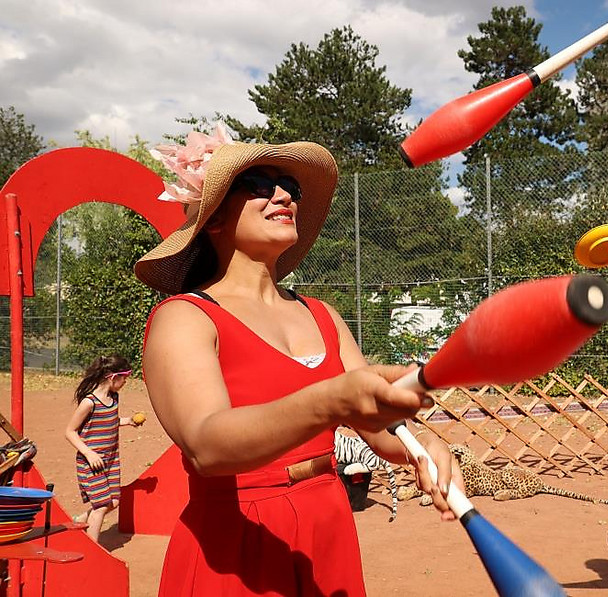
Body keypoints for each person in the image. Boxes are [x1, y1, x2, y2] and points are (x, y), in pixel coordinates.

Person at [135, 124, 462, 596]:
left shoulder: (322, 314)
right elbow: (207, 447)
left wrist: (421, 447)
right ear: (213, 220)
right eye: (260, 186)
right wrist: (331, 401)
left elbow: (376, 423)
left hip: (327, 528)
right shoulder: (185, 317)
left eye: (290, 188)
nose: (285, 195)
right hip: (237, 543)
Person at [64, 354, 141, 542]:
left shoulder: (114, 398)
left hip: (111, 459)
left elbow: (110, 421)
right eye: (124, 378)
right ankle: (94, 552)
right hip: (91, 462)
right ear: (113, 377)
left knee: (113, 502)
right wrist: (89, 454)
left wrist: (128, 421)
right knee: (100, 506)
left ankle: (82, 519)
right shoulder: (89, 402)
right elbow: (70, 431)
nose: (125, 382)